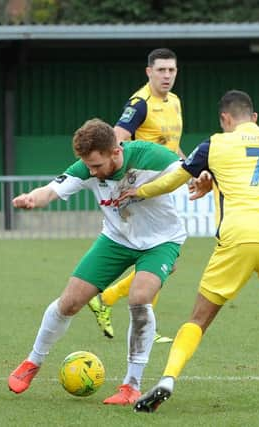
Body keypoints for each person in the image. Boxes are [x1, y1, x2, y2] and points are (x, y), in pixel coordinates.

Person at [118, 90, 259, 412]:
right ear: (254, 118)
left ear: (225, 118)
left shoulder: (214, 144)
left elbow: (172, 180)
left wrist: (138, 191)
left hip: (238, 234)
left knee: (199, 318)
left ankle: (168, 378)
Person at [7, 118, 187, 405]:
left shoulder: (151, 156)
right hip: (115, 240)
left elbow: (189, 169)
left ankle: (131, 385)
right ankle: (33, 362)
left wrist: (202, 178)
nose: (91, 172)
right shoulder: (87, 167)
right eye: (87, 166)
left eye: (96, 165)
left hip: (161, 241)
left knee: (140, 299)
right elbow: (52, 189)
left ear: (115, 152)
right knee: (69, 302)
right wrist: (33, 197)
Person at [87, 47, 185, 344]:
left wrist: (188, 170)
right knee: (159, 254)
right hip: (141, 190)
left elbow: (171, 146)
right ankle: (117, 305)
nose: (167, 75)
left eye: (171, 70)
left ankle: (110, 298)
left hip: (163, 186)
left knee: (165, 259)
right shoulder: (140, 103)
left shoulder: (175, 102)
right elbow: (116, 138)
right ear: (149, 72)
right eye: (161, 70)